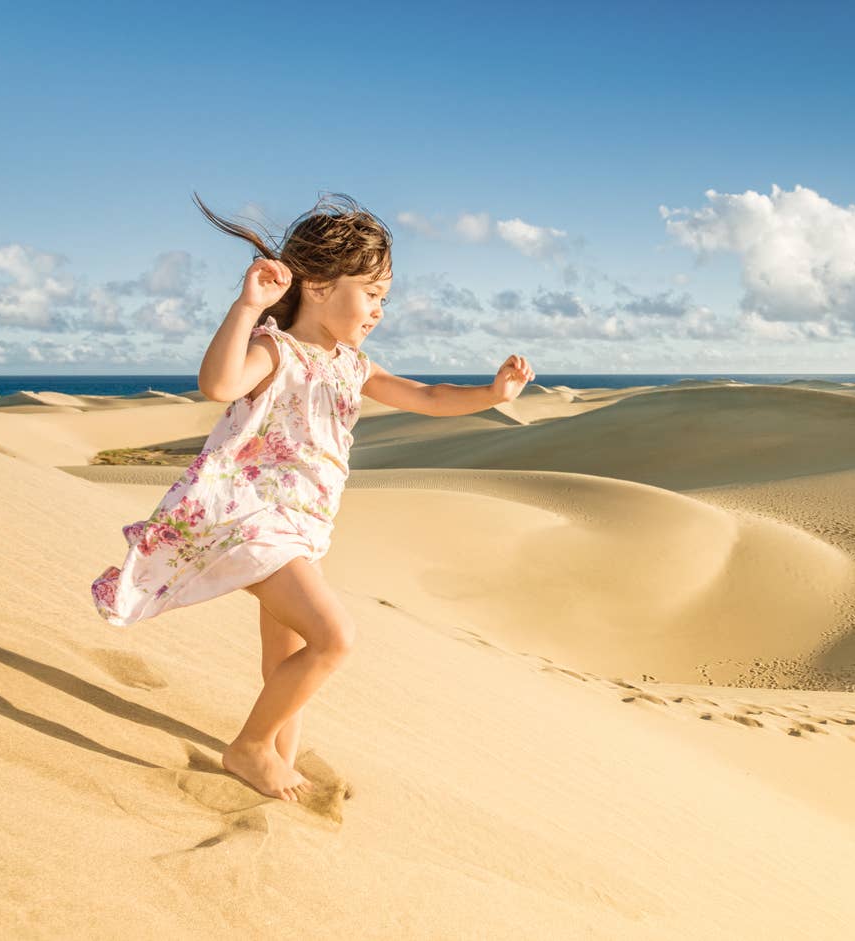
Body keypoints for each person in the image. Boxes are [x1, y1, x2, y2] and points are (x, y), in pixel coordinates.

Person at [90, 191, 536, 802]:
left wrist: (493, 394)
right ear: (321, 285)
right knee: (335, 638)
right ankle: (249, 748)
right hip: (254, 521)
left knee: (289, 656)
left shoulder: (350, 363)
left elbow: (428, 397)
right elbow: (218, 383)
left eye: (385, 298)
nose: (380, 309)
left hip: (304, 527)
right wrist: (247, 308)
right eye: (372, 294)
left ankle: (276, 760)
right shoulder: (277, 351)